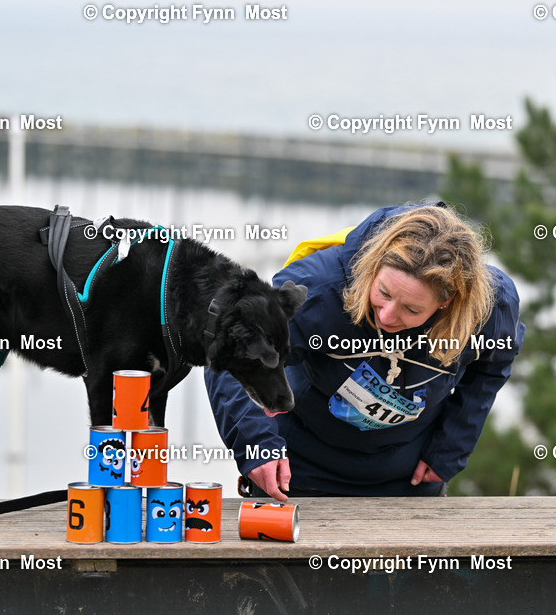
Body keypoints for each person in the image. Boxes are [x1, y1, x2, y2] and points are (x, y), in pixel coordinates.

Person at [204, 202, 525, 500]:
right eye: (383, 292)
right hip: (296, 471)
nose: (387, 316)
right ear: (374, 265)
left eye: (411, 309)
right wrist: (257, 446)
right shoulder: (315, 287)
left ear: (447, 302)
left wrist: (448, 452)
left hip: (408, 479)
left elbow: (492, 366)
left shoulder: (488, 309)